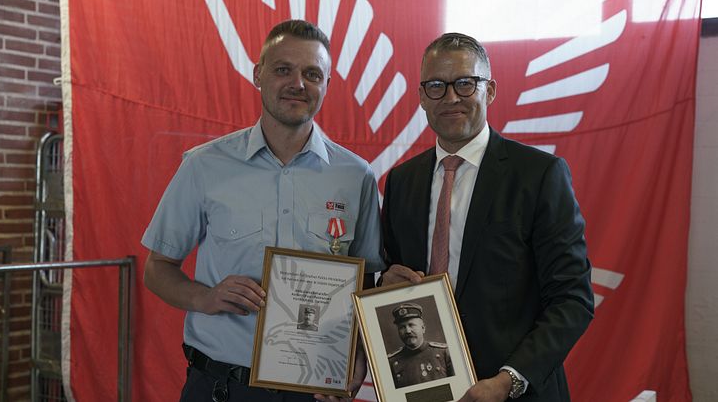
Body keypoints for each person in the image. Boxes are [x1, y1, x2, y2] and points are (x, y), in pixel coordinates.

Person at [142, 20, 383, 402]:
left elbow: (366, 280)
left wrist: (357, 356)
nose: (298, 83)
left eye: (312, 74)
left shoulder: (356, 176)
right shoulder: (204, 166)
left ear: (327, 84)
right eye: (283, 69)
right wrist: (205, 298)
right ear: (258, 74)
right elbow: (157, 269)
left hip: (316, 390)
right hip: (222, 387)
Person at [380, 33, 594, 401]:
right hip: (426, 390)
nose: (450, 98)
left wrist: (508, 380)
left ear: (489, 90)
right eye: (436, 85)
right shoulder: (401, 181)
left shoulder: (539, 174)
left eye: (465, 83)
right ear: (421, 97)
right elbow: (390, 276)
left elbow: (572, 298)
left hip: (515, 391)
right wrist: (385, 282)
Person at [387, 303, 454, 388]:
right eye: (402, 327)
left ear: (423, 328)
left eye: (411, 325)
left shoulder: (444, 352)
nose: (407, 331)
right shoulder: (391, 362)